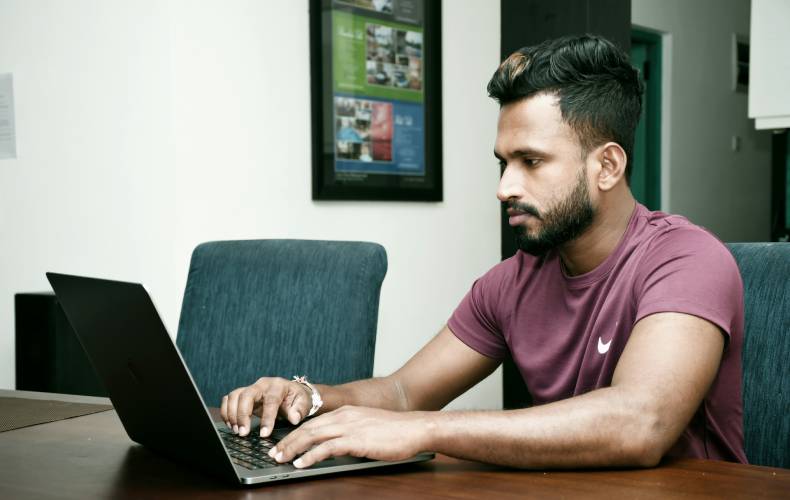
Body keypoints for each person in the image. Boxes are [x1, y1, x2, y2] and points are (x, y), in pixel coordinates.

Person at [221, 34, 747, 469]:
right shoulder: (511, 282)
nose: (505, 188)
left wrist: (422, 430)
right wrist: (307, 397)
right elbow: (404, 393)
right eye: (503, 163)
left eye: (531, 161)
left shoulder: (688, 260)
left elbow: (640, 423)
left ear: (606, 166)